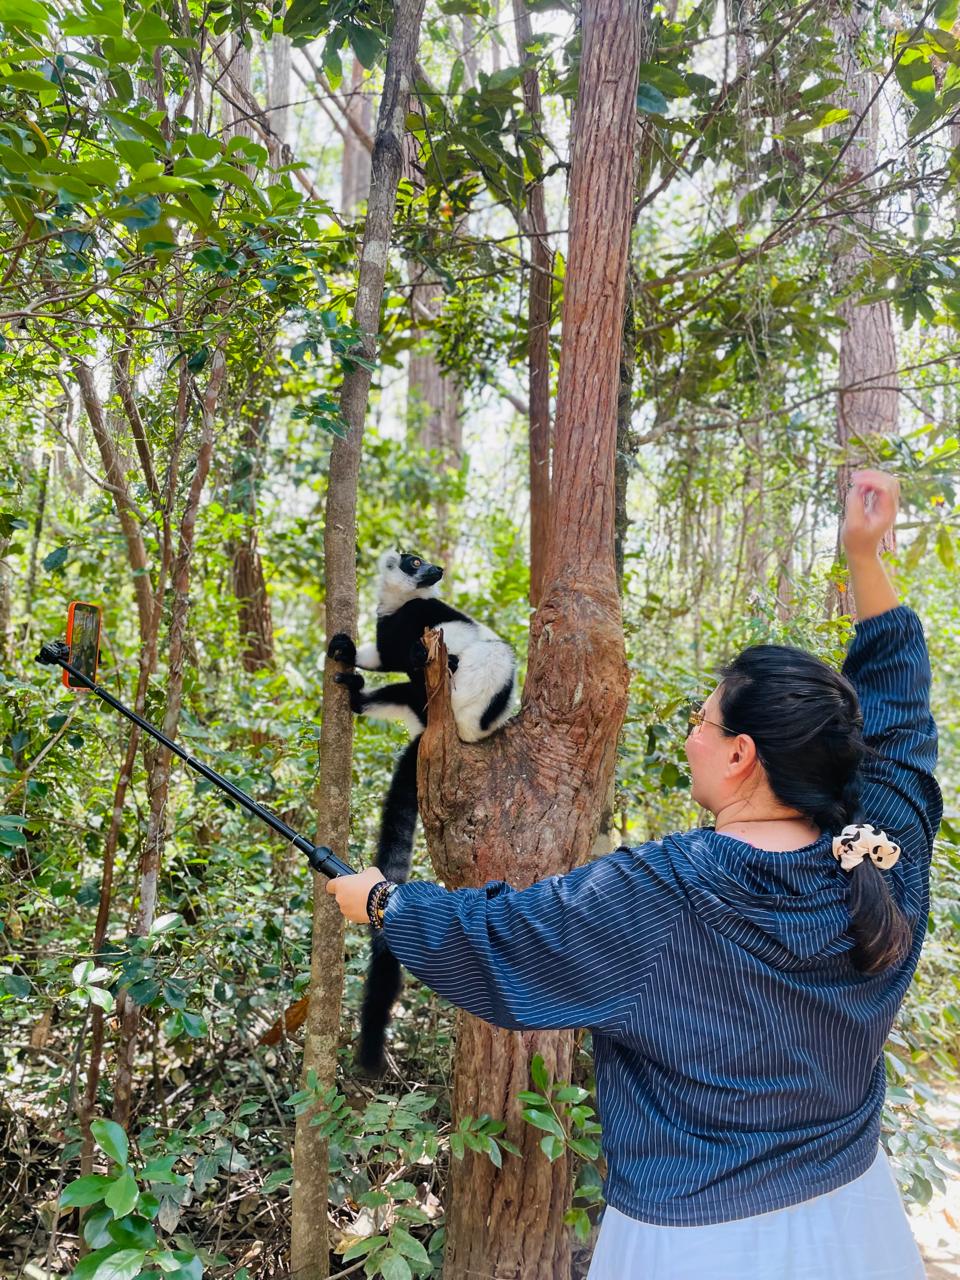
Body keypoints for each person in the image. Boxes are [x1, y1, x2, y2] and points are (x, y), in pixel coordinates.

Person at [327, 469, 941, 1279]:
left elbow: (502, 941)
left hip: (697, 1249)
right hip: (857, 1225)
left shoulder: (665, 892)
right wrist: (867, 556)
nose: (690, 735)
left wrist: (381, 903)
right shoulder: (884, 847)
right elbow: (899, 712)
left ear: (740, 754)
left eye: (700, 719)